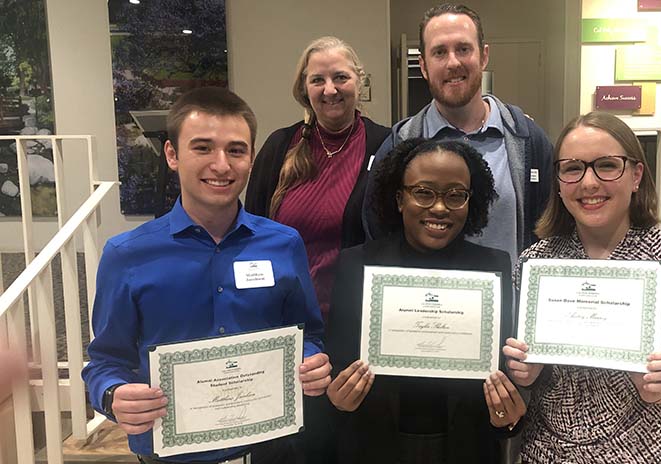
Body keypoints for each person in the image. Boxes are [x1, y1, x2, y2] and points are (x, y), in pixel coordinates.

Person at [82, 87, 331, 464]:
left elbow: (307, 334)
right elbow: (104, 361)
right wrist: (113, 395)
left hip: (268, 451)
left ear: (251, 158)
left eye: (236, 150)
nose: (221, 165)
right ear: (172, 155)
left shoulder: (283, 244)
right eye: (202, 148)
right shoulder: (126, 255)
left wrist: (314, 361)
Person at [503, 112, 661, 463]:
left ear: (636, 175)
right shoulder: (535, 265)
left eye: (607, 166)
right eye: (572, 168)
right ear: (559, 182)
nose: (589, 182)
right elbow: (527, 374)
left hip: (647, 453)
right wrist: (528, 373)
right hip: (548, 453)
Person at [325, 138, 526, 464]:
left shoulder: (492, 268)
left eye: (456, 195)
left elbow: (499, 383)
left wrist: (507, 419)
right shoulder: (357, 265)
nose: (440, 207)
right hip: (375, 447)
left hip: (466, 448)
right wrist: (336, 401)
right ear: (399, 198)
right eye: (424, 192)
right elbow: (338, 370)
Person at [363, 3, 553, 265]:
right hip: (423, 302)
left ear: (483, 56)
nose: (453, 62)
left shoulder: (528, 141)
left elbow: (551, 228)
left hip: (508, 301)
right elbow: (378, 230)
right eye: (439, 52)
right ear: (424, 65)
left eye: (463, 49)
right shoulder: (400, 144)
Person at [245, 36, 390, 319]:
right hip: (284, 314)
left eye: (340, 77)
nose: (330, 89)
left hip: (357, 319)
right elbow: (251, 233)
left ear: (359, 82)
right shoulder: (279, 146)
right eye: (317, 80)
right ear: (304, 88)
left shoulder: (385, 145)